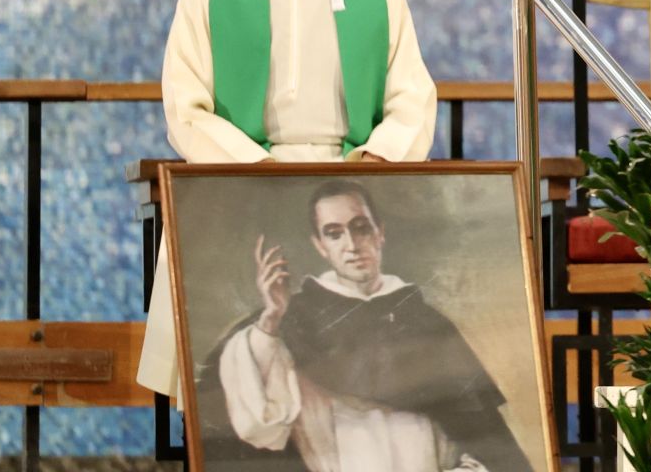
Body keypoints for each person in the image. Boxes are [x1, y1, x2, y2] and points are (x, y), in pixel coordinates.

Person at [138, 0, 438, 398]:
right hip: (243, 183)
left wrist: (379, 155)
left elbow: (413, 97)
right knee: (233, 385)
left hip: (350, 181)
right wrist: (255, 169)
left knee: (357, 393)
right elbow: (186, 106)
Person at [200, 181, 529, 472]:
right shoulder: (292, 319)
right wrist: (271, 319)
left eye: (361, 228)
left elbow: (480, 437)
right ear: (320, 245)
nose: (352, 244)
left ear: (380, 232)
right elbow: (259, 422)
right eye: (334, 233)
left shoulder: (424, 320)